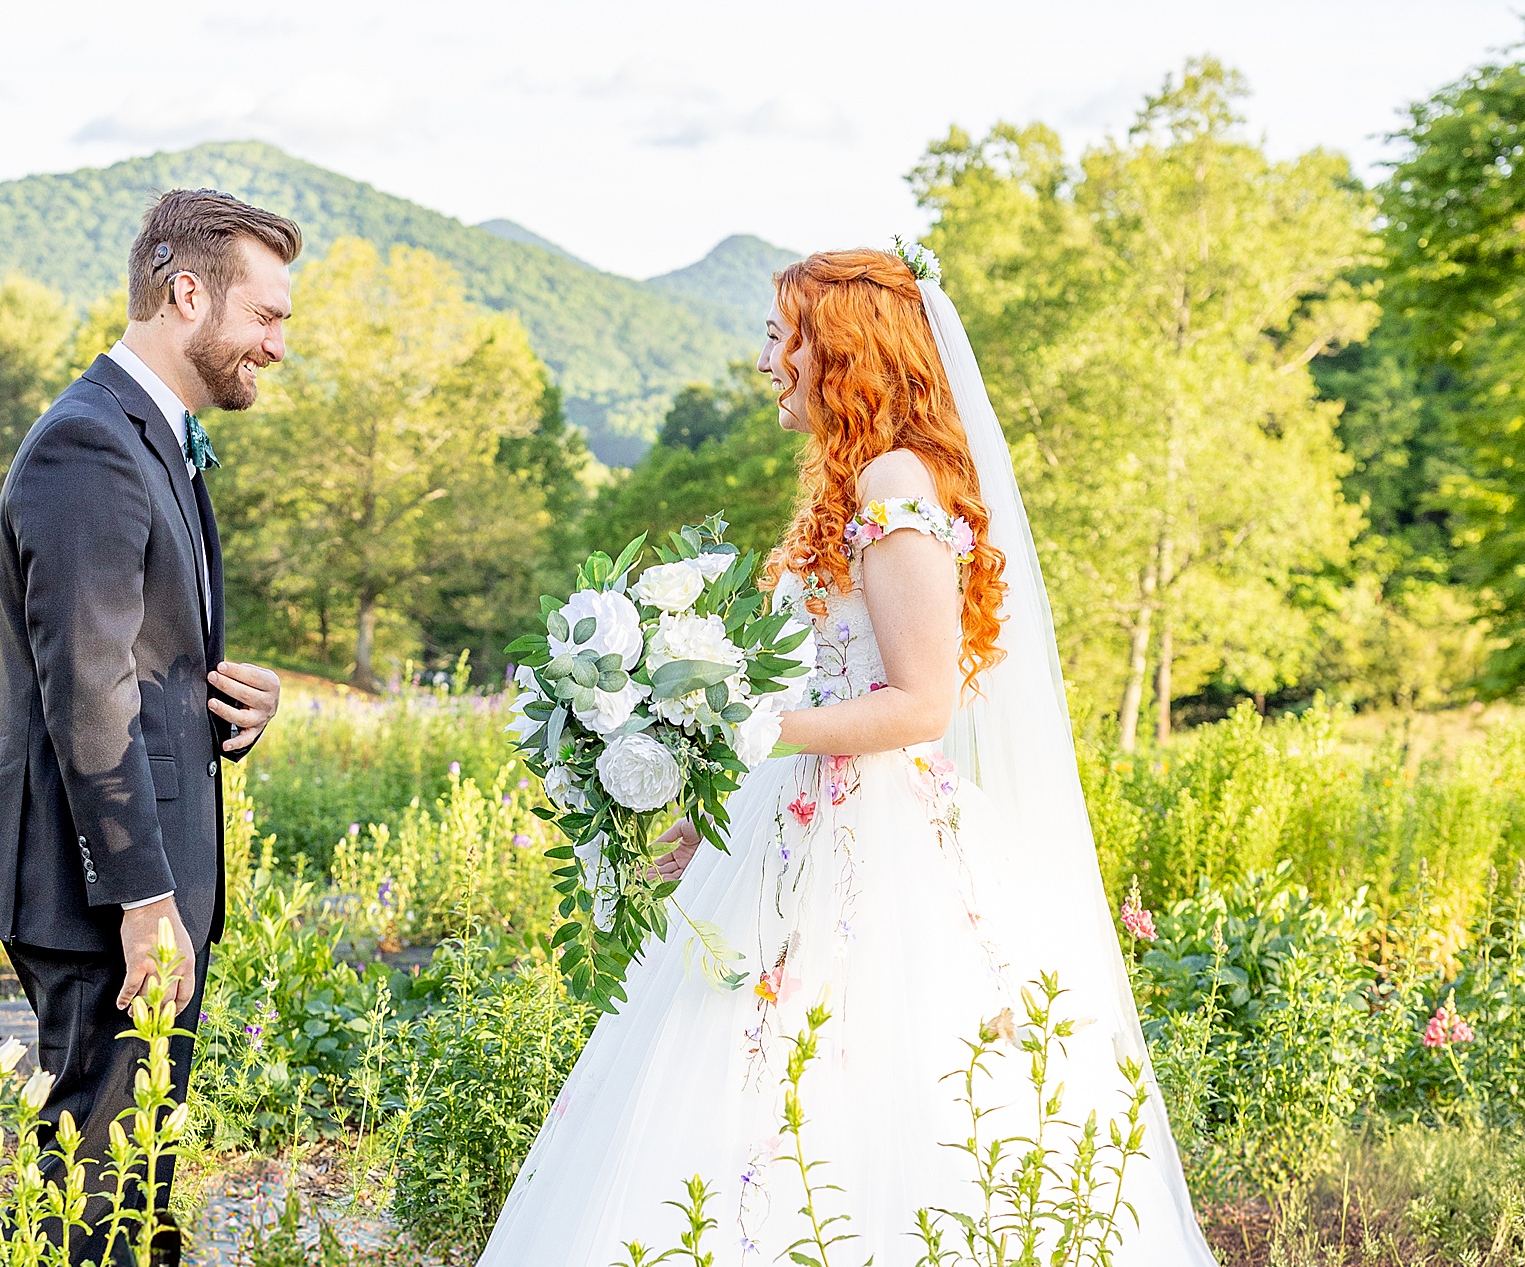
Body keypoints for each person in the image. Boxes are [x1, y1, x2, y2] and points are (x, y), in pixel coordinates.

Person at [477, 247, 1218, 1264]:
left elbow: (920, 701)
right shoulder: (851, 483)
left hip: (875, 836)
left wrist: (741, 726)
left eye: (783, 337)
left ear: (842, 354)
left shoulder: (895, 480)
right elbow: (820, 688)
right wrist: (714, 794)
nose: (770, 360)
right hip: (798, 816)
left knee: (860, 1088)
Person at [0, 188, 299, 1265]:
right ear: (185, 292)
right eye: (267, 316)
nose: (277, 346)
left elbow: (140, 668)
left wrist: (231, 704)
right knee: (96, 1179)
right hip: (102, 886)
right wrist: (147, 901)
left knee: (136, 1164)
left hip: (146, 874)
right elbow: (85, 691)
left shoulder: (150, 434)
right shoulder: (88, 448)